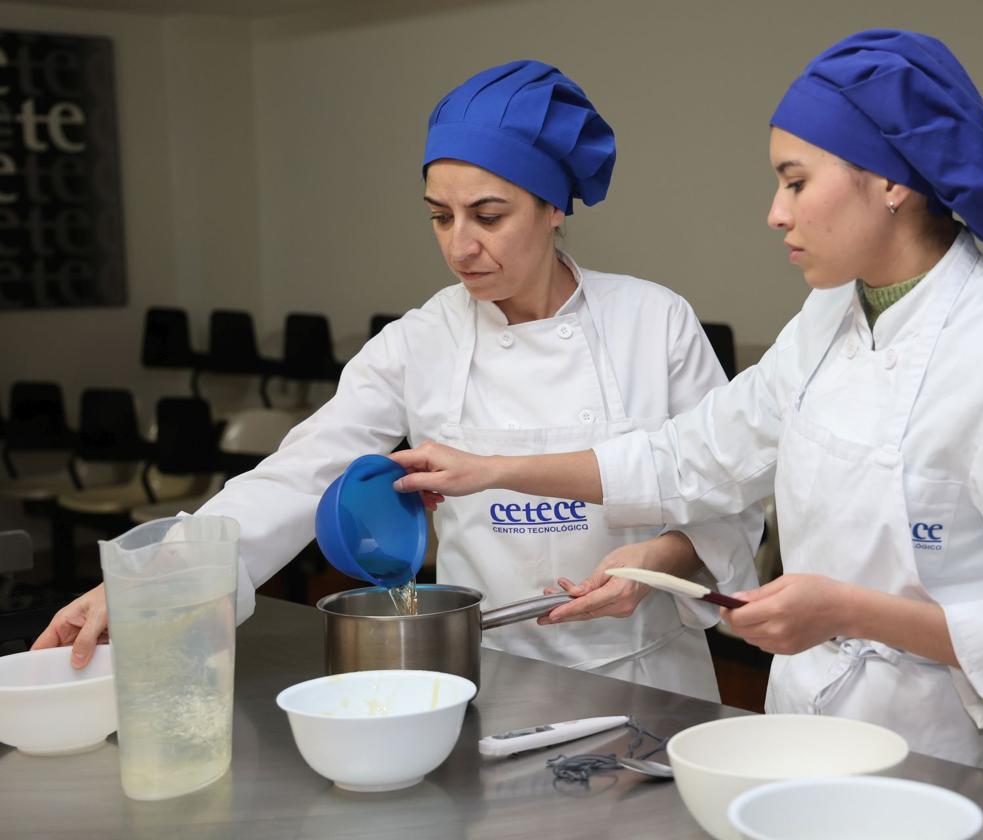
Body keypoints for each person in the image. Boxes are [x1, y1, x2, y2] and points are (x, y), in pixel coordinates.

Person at [387, 31, 983, 787]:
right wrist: (493, 470)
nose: (775, 214)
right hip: (806, 732)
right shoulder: (829, 321)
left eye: (795, 181)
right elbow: (693, 455)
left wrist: (851, 612)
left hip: (957, 763)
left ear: (890, 182)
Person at [34, 60, 761, 702]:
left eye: (488, 215)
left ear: (554, 206)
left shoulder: (654, 322)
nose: (460, 246)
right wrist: (150, 587)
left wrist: (658, 560)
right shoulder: (421, 342)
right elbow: (297, 476)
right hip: (489, 670)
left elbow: (727, 495)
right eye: (439, 217)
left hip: (647, 676)